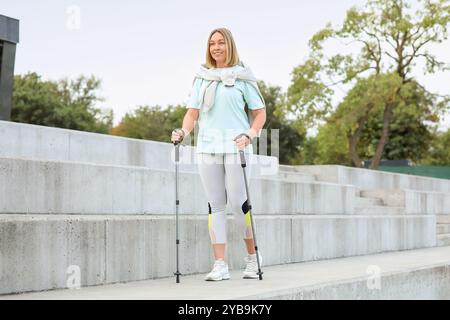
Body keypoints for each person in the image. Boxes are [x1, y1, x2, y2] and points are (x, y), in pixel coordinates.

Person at [171, 27, 266, 281]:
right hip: (208, 147)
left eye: (221, 43)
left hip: (237, 146)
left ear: (229, 45)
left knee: (239, 204)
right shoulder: (202, 78)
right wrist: (183, 131)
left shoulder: (243, 77)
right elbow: (193, 113)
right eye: (212, 43)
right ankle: (220, 264)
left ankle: (252, 258)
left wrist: (250, 134)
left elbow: (259, 113)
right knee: (215, 206)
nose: (216, 48)